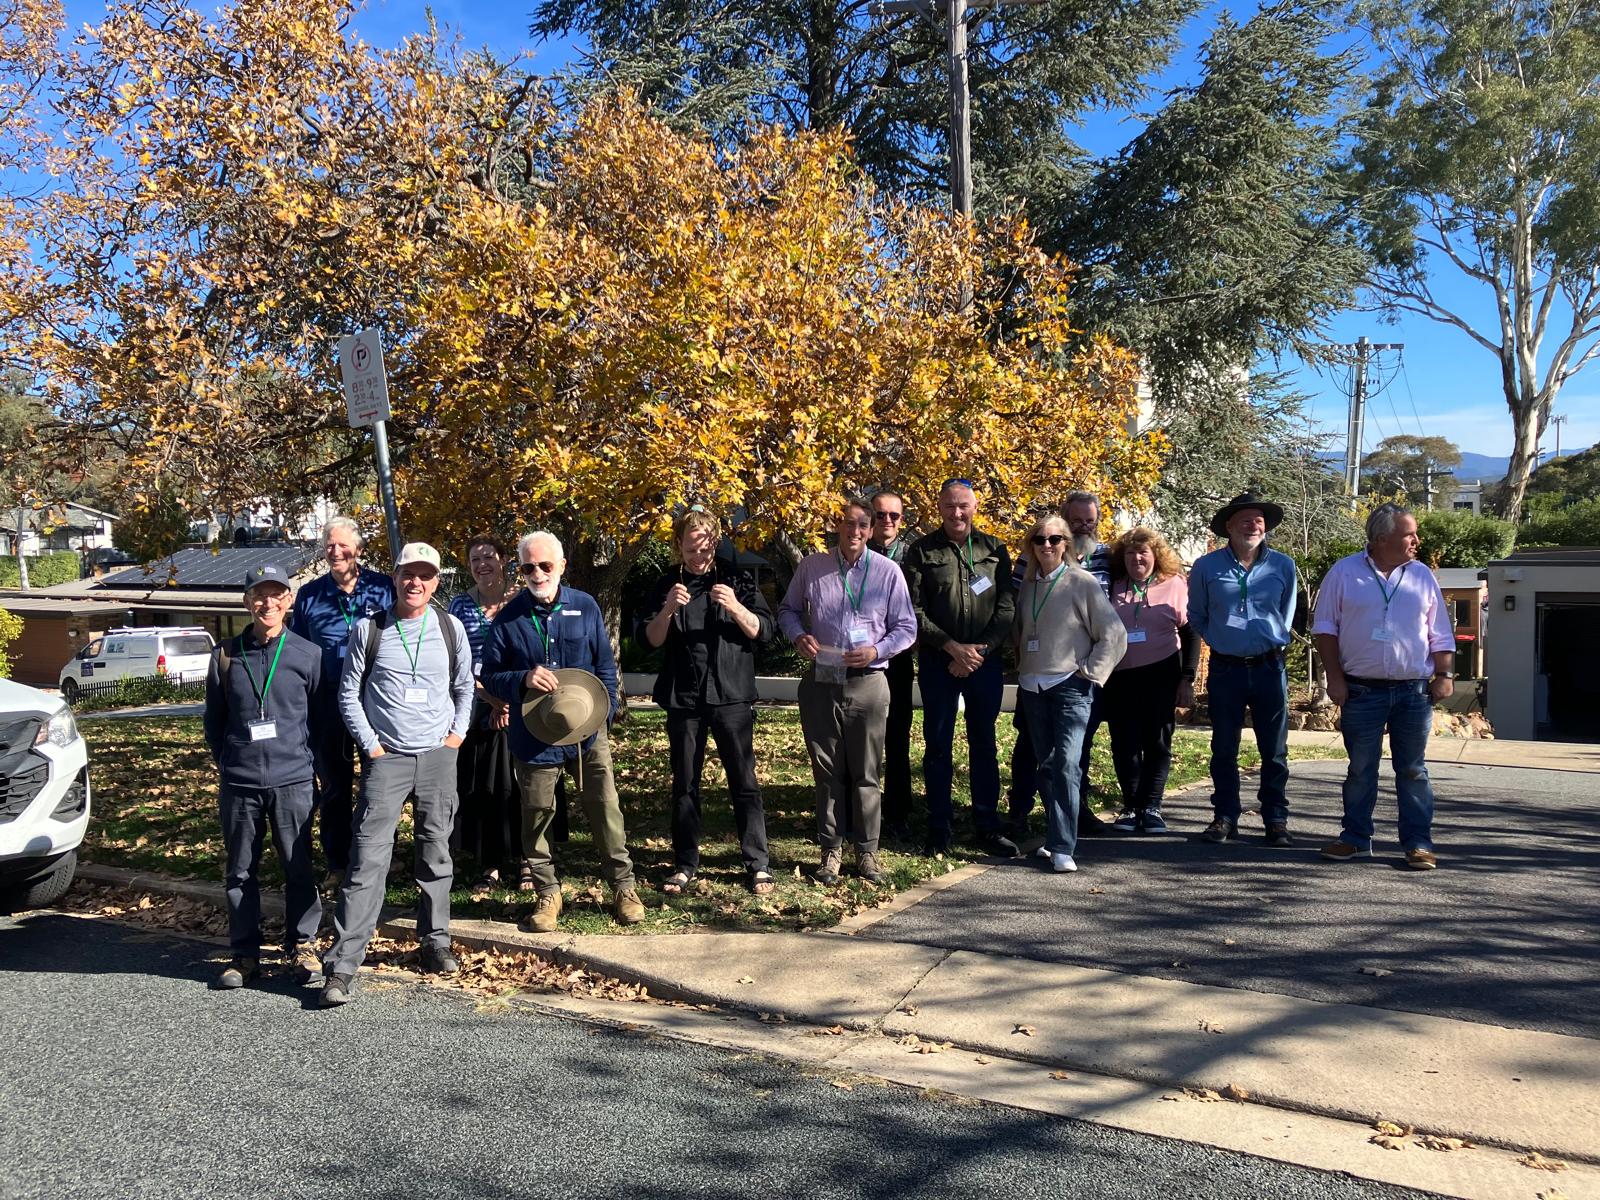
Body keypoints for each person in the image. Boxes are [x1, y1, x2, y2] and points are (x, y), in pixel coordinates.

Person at [320, 542, 474, 1007]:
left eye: (425, 575)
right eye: (408, 573)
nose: (416, 582)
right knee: (367, 858)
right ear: (395, 576)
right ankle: (343, 964)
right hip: (386, 760)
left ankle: (435, 941)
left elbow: (464, 687)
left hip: (437, 756)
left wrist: (456, 736)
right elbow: (348, 693)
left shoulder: (450, 628)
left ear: (436, 581)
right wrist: (371, 745)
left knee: (437, 852)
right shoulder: (370, 629)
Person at [481, 530, 645, 932]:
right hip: (534, 736)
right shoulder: (508, 617)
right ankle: (547, 892)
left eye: (545, 565)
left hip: (588, 733)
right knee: (536, 814)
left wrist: (605, 714)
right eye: (528, 567)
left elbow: (605, 664)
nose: (537, 573)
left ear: (562, 566)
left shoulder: (585, 606)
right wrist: (522, 678)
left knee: (605, 808)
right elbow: (491, 675)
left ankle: (624, 887)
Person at [778, 497, 918, 884]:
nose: (855, 531)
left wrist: (878, 650)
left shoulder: (888, 572)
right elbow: (787, 610)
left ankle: (868, 852)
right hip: (822, 681)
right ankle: (831, 851)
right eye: (848, 523)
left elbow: (907, 627)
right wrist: (798, 635)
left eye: (862, 525)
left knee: (867, 773)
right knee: (827, 772)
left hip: (868, 681)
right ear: (837, 527)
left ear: (871, 531)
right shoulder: (812, 567)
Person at [642, 507, 777, 895]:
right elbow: (649, 640)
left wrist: (735, 606)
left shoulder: (737, 579)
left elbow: (765, 631)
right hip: (684, 696)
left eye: (705, 550)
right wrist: (668, 609)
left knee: (744, 780)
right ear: (678, 547)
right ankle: (685, 863)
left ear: (715, 544)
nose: (698, 557)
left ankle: (757, 863)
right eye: (690, 551)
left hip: (731, 694)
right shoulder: (667, 583)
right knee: (685, 783)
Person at [1313, 503, 1455, 870]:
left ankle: (1418, 844)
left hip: (1413, 692)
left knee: (1413, 770)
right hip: (1361, 690)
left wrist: (1445, 675)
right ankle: (1356, 839)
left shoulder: (1423, 576)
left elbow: (1440, 632)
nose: (1417, 540)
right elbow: (1325, 629)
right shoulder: (1344, 572)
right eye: (1409, 534)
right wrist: (1335, 679)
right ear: (1380, 539)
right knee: (1361, 769)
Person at [203, 564, 324, 990]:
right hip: (240, 782)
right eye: (259, 595)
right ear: (246, 602)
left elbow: (320, 722)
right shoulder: (225, 655)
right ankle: (245, 954)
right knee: (240, 871)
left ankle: (302, 945)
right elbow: (214, 721)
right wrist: (229, 762)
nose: (267, 603)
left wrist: (315, 770)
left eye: (276, 594)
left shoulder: (308, 655)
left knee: (298, 866)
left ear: (289, 601)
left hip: (293, 780)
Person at [903, 478, 1017, 856]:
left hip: (984, 663)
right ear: (939, 507)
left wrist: (978, 652)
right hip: (939, 662)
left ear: (974, 507)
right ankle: (940, 826)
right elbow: (913, 609)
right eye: (950, 505)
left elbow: (1006, 607)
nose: (957, 512)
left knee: (984, 743)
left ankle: (987, 825)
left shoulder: (994, 549)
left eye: (963, 505)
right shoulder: (921, 550)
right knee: (938, 745)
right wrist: (952, 648)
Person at [1013, 513, 1126, 873]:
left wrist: (1089, 673)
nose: (1047, 545)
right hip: (1033, 686)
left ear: (1067, 544)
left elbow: (1114, 635)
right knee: (1046, 766)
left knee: (1066, 764)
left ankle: (1063, 846)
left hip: (1069, 687)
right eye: (1040, 540)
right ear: (1031, 546)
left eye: (1055, 539)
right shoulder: (1027, 586)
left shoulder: (1083, 582)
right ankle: (1053, 837)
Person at [1187, 492, 1300, 846]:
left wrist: (1271, 639)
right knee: (1224, 748)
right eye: (1246, 520)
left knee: (1274, 751)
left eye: (1259, 521)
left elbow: (1289, 613)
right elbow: (1197, 616)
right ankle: (1224, 816)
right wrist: (1222, 639)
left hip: (1269, 668)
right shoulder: (1206, 567)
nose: (1254, 526)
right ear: (1230, 527)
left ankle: (1276, 819)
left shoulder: (1284, 566)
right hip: (1226, 669)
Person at [289, 516, 395, 885]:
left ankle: (375, 858)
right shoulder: (309, 594)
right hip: (327, 701)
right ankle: (338, 862)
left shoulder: (384, 588)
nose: (335, 551)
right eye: (329, 545)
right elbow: (298, 650)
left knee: (378, 782)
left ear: (359, 549)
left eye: (343, 545)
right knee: (334, 784)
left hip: (374, 699)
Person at [1103, 527, 1199, 834]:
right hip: (1120, 677)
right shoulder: (1114, 585)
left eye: (1143, 552)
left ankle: (1152, 806)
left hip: (1162, 674)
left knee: (1157, 743)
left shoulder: (1174, 583)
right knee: (1124, 744)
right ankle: (1131, 806)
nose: (1137, 558)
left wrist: (1187, 678)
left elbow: (1191, 633)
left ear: (1156, 555)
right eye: (1130, 553)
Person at [447, 534, 519, 888]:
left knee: (522, 785)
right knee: (485, 785)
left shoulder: (521, 600)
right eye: (475, 559)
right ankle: (490, 863)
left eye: (489, 557)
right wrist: (490, 699)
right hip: (477, 705)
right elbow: (455, 661)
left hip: (521, 702)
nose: (482, 564)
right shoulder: (460, 606)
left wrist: (509, 701)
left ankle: (528, 859)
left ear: (503, 560)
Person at [868, 488, 917, 845]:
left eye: (894, 515)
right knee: (861, 739)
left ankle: (899, 811)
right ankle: (861, 810)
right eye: (880, 514)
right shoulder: (857, 553)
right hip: (863, 658)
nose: (887, 520)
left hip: (898, 657)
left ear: (902, 520)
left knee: (897, 737)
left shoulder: (913, 556)